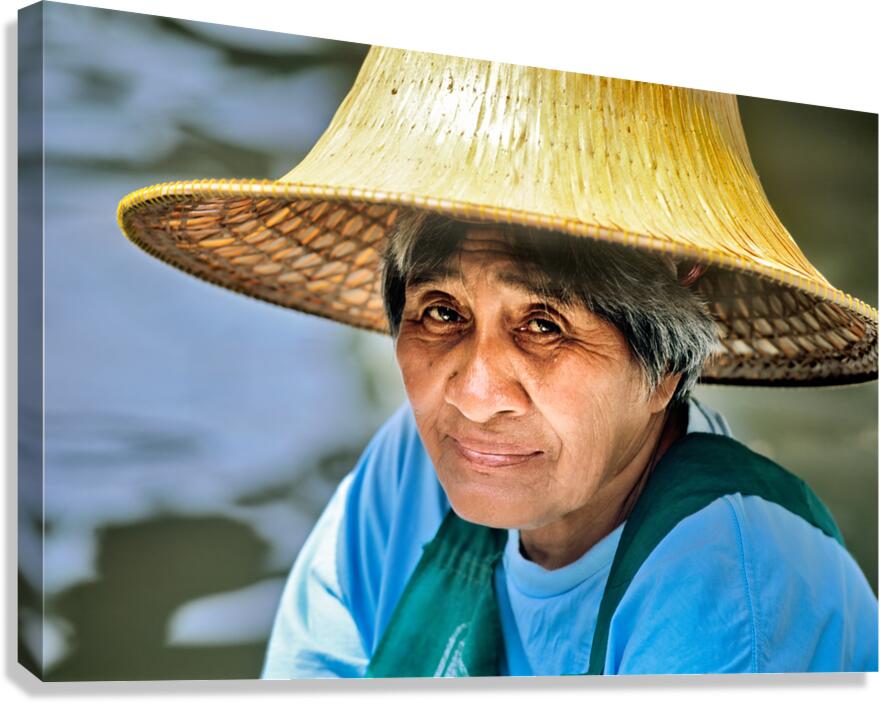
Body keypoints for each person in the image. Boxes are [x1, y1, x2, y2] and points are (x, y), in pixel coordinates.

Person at [117, 46, 878, 676]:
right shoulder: (404, 481)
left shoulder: (731, 574)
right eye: (442, 313)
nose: (476, 398)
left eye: (544, 325)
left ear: (666, 363)